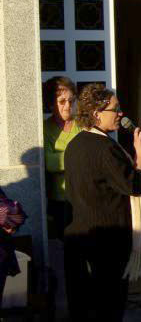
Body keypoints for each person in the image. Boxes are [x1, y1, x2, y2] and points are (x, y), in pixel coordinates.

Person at [64, 83, 141, 322]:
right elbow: (135, 186)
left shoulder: (74, 145)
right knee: (108, 307)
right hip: (106, 242)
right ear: (96, 114)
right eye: (115, 109)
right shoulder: (105, 149)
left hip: (80, 237)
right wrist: (140, 157)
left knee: (82, 307)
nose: (121, 113)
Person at [43, 76, 81, 239]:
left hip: (84, 195)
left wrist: (61, 157)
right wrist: (78, 155)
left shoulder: (82, 124)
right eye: (62, 101)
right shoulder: (45, 129)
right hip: (61, 200)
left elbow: (92, 156)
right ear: (51, 104)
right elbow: (49, 162)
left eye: (71, 101)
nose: (68, 106)